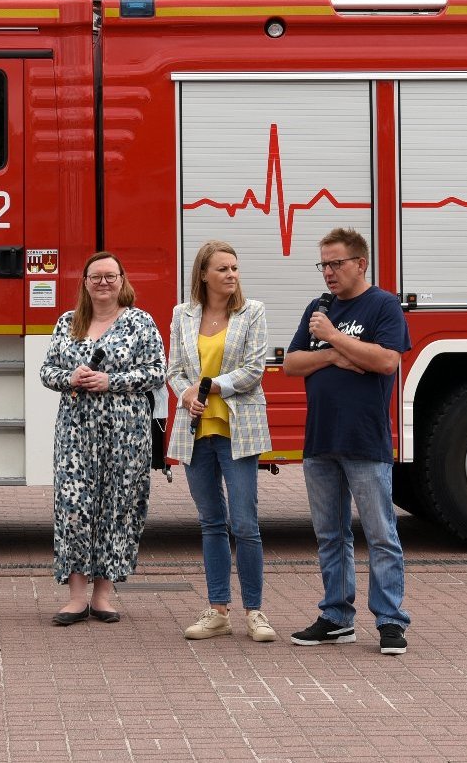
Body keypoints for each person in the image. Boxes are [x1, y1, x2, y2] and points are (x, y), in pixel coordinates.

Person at [283, 227, 413, 654]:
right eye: (323, 264)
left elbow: (386, 360)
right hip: (321, 440)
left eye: (336, 263)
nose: (328, 273)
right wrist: (336, 355)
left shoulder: (384, 305)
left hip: (364, 440)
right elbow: (292, 363)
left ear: (361, 263)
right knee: (330, 535)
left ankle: (391, 621)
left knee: (380, 534)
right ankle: (337, 617)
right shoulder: (317, 308)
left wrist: (336, 338)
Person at [39, 251, 165, 625]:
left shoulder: (141, 322)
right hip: (76, 431)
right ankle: (76, 597)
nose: (104, 283)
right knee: (73, 507)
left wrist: (113, 381)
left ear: (122, 280)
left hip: (126, 433)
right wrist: (70, 378)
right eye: (96, 276)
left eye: (111, 276)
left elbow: (158, 371)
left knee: (117, 508)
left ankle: (104, 595)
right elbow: (47, 370)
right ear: (85, 283)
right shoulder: (68, 322)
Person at [166, 241, 276, 642]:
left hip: (238, 430)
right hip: (197, 432)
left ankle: (255, 612)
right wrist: (187, 393)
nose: (232, 275)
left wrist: (207, 388)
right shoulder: (183, 314)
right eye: (223, 269)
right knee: (211, 523)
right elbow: (174, 368)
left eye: (235, 268)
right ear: (203, 275)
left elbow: (253, 371)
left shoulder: (253, 312)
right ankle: (217, 611)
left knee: (245, 524)